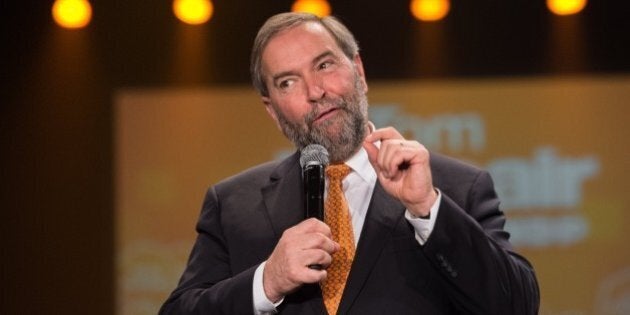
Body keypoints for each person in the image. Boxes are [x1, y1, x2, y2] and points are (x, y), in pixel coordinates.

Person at [159, 12, 539, 315]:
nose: (315, 92)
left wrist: (427, 210)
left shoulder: (455, 188)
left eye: (324, 65)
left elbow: (517, 306)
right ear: (272, 110)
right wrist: (267, 281)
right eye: (288, 82)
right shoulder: (233, 205)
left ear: (359, 71)